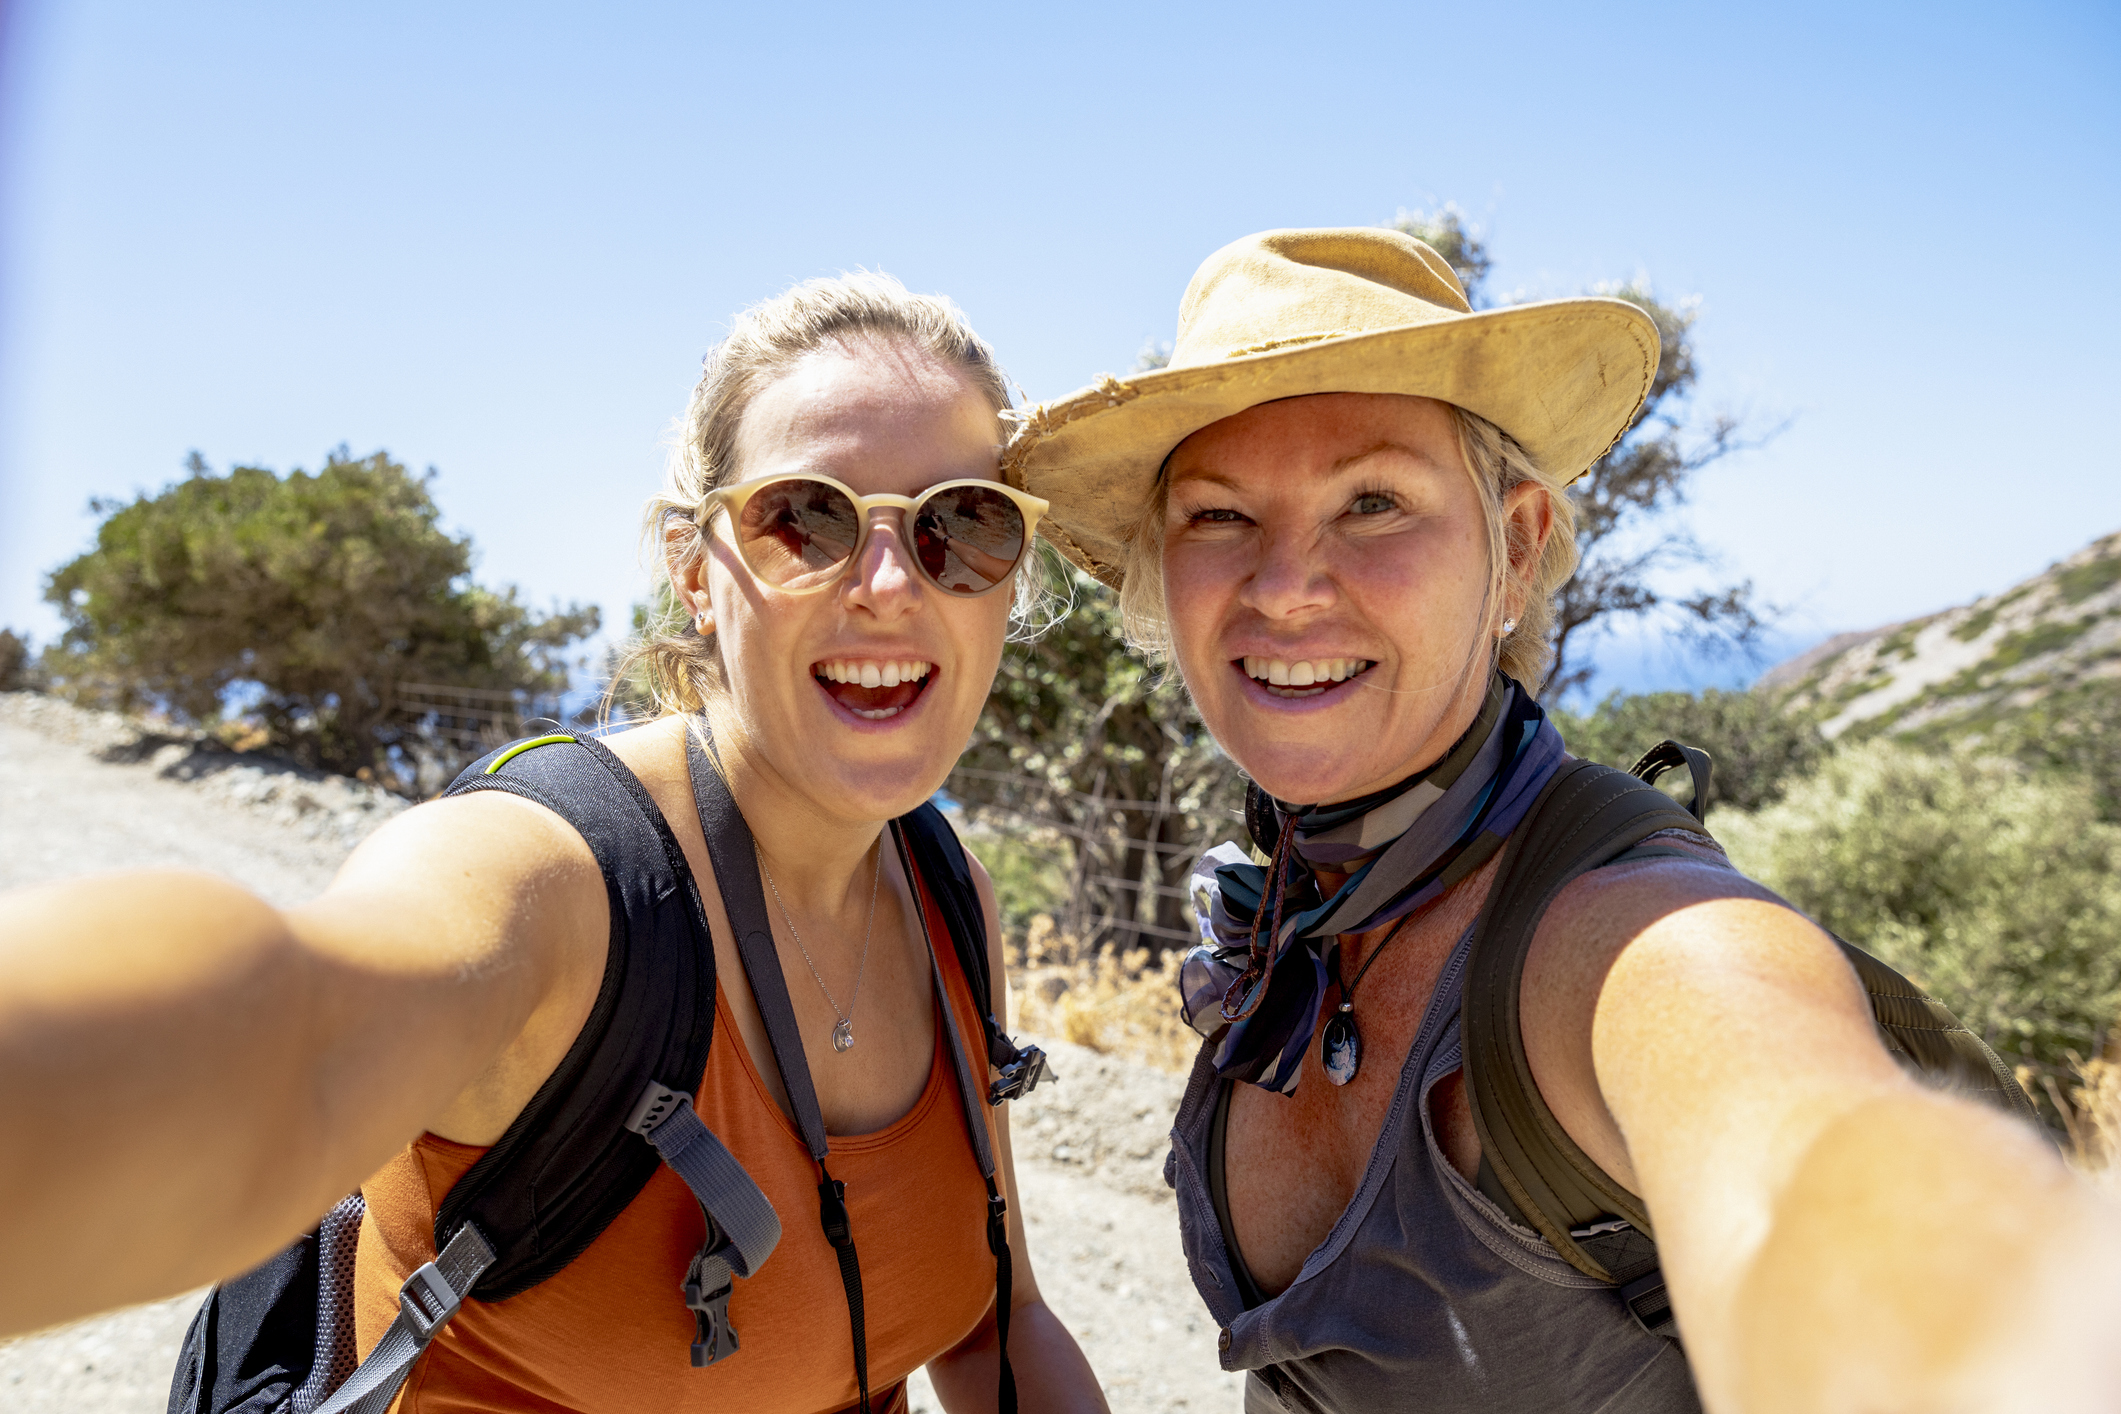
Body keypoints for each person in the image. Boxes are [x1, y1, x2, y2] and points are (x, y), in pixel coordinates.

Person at [1002, 227, 2121, 1413]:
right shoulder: (1305, 893)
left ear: (1518, 548)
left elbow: (1816, 1174)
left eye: (1373, 501)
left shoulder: (1636, 942)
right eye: (1219, 515)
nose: (1282, 586)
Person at [0, 273, 1108, 1414]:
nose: (888, 583)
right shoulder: (553, 879)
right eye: (805, 518)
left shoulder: (947, 896)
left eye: (961, 524)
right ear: (695, 570)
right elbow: (294, 1034)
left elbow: (995, 1322)